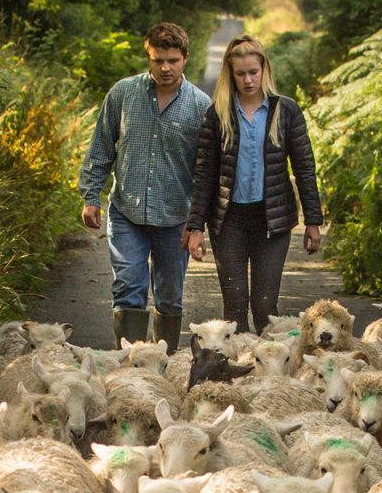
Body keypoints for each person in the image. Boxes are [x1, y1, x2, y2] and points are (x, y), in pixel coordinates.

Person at [78, 22, 210, 351]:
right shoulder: (123, 94)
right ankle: (131, 369)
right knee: (129, 287)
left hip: (175, 217)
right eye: (157, 60)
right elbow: (101, 147)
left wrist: (197, 223)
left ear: (185, 59)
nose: (165, 68)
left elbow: (206, 171)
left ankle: (160, 369)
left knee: (169, 296)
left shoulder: (200, 106)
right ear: (148, 58)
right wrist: (91, 195)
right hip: (127, 213)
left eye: (172, 61)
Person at [185, 35, 324, 334]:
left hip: (272, 220)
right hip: (229, 221)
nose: (248, 80)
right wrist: (195, 227)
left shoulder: (286, 112)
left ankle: (268, 376)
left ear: (264, 71)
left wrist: (314, 221)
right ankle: (236, 374)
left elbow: (304, 168)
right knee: (234, 308)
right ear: (230, 74)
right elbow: (205, 174)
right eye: (240, 73)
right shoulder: (218, 114)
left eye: (253, 72)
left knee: (265, 306)